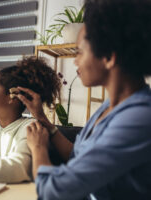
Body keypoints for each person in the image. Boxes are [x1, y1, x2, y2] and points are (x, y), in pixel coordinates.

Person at [17, 0, 151, 199]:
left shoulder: (139, 118)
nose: (75, 60)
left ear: (108, 57)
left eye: (80, 51)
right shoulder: (110, 106)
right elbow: (77, 155)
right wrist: (44, 120)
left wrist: (38, 149)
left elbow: (55, 190)